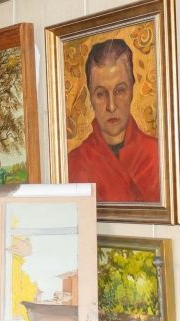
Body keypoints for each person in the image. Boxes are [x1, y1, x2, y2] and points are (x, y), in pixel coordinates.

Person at [67, 38, 159, 202]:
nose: (111, 106)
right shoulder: (74, 163)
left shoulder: (157, 154)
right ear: (90, 97)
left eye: (120, 91)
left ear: (132, 90)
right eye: (101, 94)